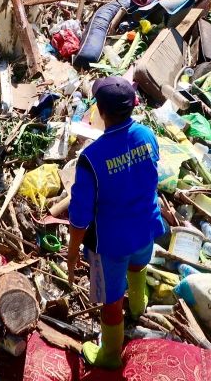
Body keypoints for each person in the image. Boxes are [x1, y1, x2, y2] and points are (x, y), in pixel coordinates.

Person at [66, 76, 166, 369]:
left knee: (110, 301)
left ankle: (110, 355)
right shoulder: (147, 135)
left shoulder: (91, 158)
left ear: (100, 111)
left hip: (110, 244)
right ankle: (138, 304)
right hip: (147, 228)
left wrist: (72, 253)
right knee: (138, 265)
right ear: (133, 105)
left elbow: (80, 217)